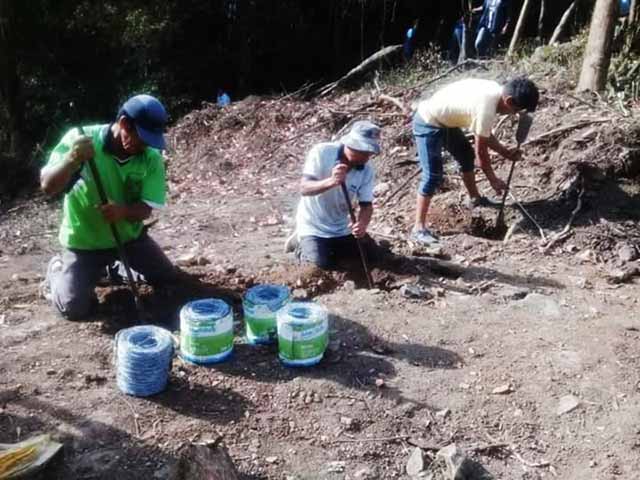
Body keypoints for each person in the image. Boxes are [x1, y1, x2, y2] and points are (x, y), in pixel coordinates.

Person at [40, 94, 176, 320]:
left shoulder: (151, 159)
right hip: (85, 242)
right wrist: (72, 160)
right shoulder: (81, 141)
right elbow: (47, 186)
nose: (144, 146)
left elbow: (145, 210)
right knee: (73, 308)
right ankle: (56, 270)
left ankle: (117, 267)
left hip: (128, 239)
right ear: (124, 124)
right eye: (140, 138)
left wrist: (122, 211)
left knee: (167, 277)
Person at [410, 77, 539, 245]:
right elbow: (481, 151)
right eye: (515, 110)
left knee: (465, 155)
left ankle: (475, 198)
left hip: (446, 121)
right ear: (508, 101)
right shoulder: (486, 107)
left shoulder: (495, 90)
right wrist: (493, 179)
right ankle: (418, 228)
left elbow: (483, 134)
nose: (513, 114)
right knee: (433, 176)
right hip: (427, 121)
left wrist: (505, 152)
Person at [293, 121, 382, 270]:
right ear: (350, 145)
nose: (367, 157)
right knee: (320, 265)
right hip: (313, 226)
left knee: (373, 257)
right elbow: (304, 189)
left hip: (341, 227)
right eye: (363, 151)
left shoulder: (367, 170)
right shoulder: (321, 152)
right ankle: (301, 245)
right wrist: (331, 181)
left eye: (370, 153)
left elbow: (366, 205)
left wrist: (362, 224)